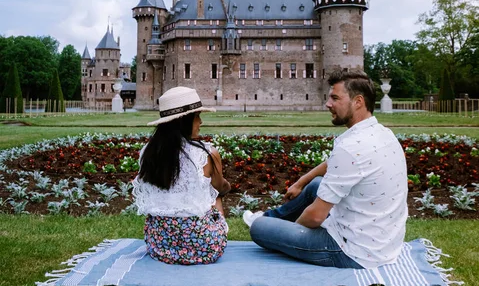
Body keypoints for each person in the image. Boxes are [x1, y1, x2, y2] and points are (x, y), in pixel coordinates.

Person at [244, 69, 408, 269]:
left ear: (358, 102)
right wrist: (300, 182)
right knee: (315, 185)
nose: (328, 104)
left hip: (353, 252)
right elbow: (332, 164)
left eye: (335, 98)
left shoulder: (351, 147)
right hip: (383, 241)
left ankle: (266, 222)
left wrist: (291, 235)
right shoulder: (383, 133)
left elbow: (315, 216)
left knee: (259, 229)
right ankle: (271, 217)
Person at [133, 86, 231, 265]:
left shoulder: (149, 152)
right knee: (215, 194)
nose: (200, 122)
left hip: (159, 244)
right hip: (204, 246)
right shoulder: (206, 153)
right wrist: (225, 187)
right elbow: (220, 187)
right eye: (197, 116)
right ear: (184, 121)